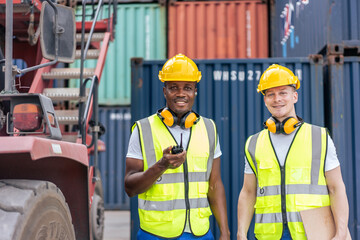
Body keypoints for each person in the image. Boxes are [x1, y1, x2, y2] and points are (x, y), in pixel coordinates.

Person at [237, 64, 349, 240]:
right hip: (269, 235)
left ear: (294, 96)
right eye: (270, 94)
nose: (277, 99)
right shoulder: (254, 143)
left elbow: (336, 188)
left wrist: (341, 232)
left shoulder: (319, 137)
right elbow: (248, 192)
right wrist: (241, 233)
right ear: (265, 100)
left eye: (283, 92)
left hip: (312, 233)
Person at [125, 53, 230, 240]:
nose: (181, 93)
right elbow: (130, 187)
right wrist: (161, 165)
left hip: (201, 233)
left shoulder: (209, 128)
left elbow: (214, 184)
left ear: (195, 91)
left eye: (187, 88)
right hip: (156, 234)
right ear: (164, 91)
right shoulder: (143, 129)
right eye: (174, 88)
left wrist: (225, 231)